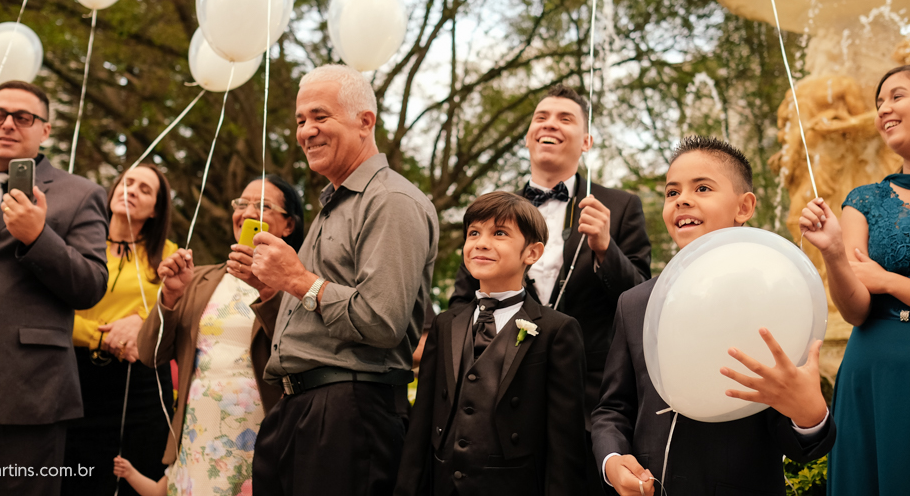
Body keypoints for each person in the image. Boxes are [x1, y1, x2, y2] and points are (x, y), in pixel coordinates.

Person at [593, 136, 835, 496]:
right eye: (671, 192)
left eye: (702, 187)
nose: (682, 200)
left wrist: (810, 415)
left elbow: (803, 447)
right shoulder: (636, 303)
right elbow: (612, 408)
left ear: (744, 206)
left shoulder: (776, 297)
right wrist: (612, 459)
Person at [250, 64, 439, 496]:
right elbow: (316, 317)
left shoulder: (391, 200)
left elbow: (381, 321)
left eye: (320, 116)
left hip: (349, 416)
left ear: (365, 121)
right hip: (297, 410)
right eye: (300, 121)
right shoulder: (333, 205)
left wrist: (297, 280)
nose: (306, 131)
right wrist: (271, 288)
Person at [450, 84, 651, 488]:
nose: (550, 125)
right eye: (541, 117)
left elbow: (640, 300)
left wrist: (604, 249)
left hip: (583, 403)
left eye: (565, 118)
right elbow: (462, 299)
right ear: (528, 136)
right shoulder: (493, 208)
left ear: (587, 141)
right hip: (497, 400)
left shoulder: (622, 205)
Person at [0, 80, 109, 496]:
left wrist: (37, 237)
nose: (7, 124)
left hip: (19, 394)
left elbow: (90, 286)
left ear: (45, 129)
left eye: (23, 117)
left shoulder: (79, 195)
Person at [800, 64, 910, 495]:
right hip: (870, 381)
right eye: (878, 104)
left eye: (896, 96)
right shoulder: (863, 201)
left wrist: (889, 282)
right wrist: (834, 252)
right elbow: (856, 308)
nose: (883, 110)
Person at [395, 191, 587, 496]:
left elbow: (566, 442)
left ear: (532, 253)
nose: (481, 243)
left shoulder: (557, 330)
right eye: (473, 233)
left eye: (499, 233)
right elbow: (422, 425)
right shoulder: (446, 324)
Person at [137, 175, 304, 496]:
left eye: (263, 205)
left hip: (263, 434)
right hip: (199, 432)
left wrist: (270, 291)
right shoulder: (199, 279)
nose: (247, 212)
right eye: (241, 204)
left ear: (288, 226)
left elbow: (297, 353)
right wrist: (170, 296)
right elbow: (149, 353)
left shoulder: (298, 282)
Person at [61, 164, 178, 496]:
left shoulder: (167, 254)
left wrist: (141, 322)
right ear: (113, 191)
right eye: (128, 183)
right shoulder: (77, 244)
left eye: (144, 189)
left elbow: (175, 311)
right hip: (73, 373)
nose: (132, 191)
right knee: (74, 475)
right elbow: (52, 312)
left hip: (139, 383)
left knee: (135, 471)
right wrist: (101, 337)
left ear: (156, 209)